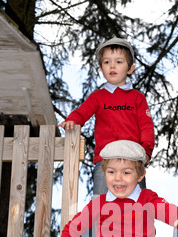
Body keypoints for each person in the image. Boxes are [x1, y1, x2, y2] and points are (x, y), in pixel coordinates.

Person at [58, 37, 154, 196]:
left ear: (130, 68)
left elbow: (146, 126)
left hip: (133, 160)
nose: (112, 66)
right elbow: (81, 113)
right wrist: (72, 121)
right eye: (107, 62)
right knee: (100, 205)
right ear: (101, 70)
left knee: (136, 209)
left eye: (119, 61)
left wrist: (146, 152)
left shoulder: (138, 98)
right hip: (105, 162)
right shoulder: (98, 97)